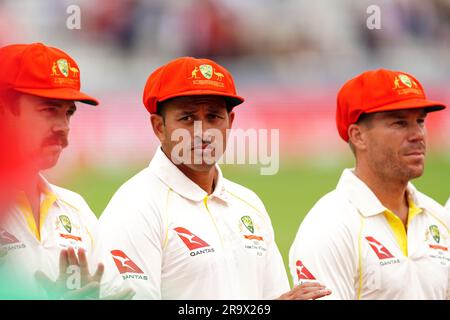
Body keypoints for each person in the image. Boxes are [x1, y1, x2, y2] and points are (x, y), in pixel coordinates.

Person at [95, 57, 331, 300]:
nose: (203, 132)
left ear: (230, 122)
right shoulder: (135, 207)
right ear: (159, 127)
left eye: (214, 117)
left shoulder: (248, 204)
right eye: (187, 118)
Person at [289, 69, 449, 299]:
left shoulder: (437, 218)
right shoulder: (329, 226)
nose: (418, 135)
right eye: (399, 123)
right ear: (358, 136)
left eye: (420, 121)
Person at [0, 43, 133, 300]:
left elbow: (114, 293)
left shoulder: (75, 208)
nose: (63, 126)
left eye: (69, 112)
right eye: (49, 110)